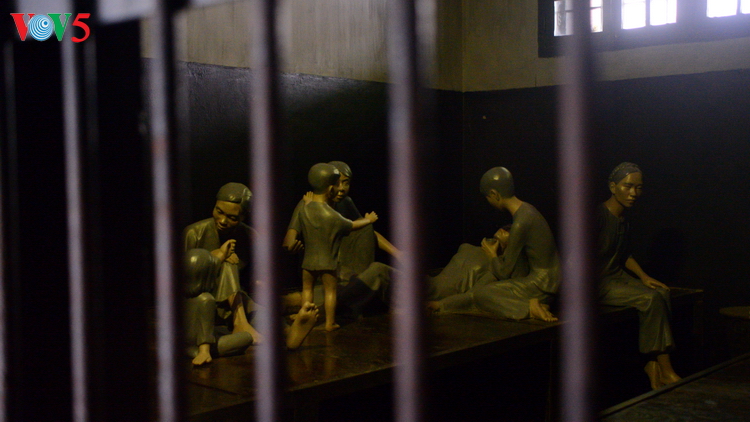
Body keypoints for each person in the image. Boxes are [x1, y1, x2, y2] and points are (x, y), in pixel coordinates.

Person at [426, 167, 561, 322]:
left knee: (484, 294)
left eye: (487, 198)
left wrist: (492, 254)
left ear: (494, 194)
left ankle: (529, 308)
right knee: (483, 292)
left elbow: (504, 272)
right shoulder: (528, 211)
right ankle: (531, 306)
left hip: (542, 285)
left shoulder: (521, 223)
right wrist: (441, 305)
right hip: (546, 280)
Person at [597, 162, 681, 389]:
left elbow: (624, 254)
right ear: (613, 187)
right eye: (628, 186)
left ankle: (652, 364)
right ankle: (666, 369)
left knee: (661, 292)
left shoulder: (622, 219)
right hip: (598, 283)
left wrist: (644, 276)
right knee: (650, 299)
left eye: (639, 187)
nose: (634, 193)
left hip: (615, 277)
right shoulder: (597, 216)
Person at [185, 248, 319, 366]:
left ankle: (287, 332)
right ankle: (244, 323)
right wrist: (203, 352)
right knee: (246, 336)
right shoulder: (204, 299)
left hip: (223, 310)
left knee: (250, 306)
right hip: (206, 333)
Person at [287, 163, 378, 331]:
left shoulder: (307, 207)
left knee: (308, 289)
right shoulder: (330, 214)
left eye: (346, 183)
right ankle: (330, 322)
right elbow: (351, 225)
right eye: (337, 183)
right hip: (328, 262)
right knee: (330, 291)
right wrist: (369, 219)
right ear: (330, 188)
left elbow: (363, 231)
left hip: (309, 262)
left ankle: (305, 315)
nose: (341, 188)